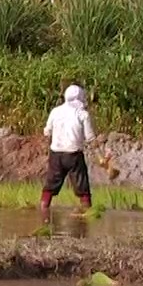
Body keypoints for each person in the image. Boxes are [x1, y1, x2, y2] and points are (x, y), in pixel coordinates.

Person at [40, 85, 95, 218]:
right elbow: (90, 137)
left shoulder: (55, 111)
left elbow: (47, 131)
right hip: (74, 155)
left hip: (56, 154)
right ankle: (87, 214)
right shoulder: (83, 114)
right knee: (82, 188)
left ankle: (42, 213)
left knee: (50, 185)